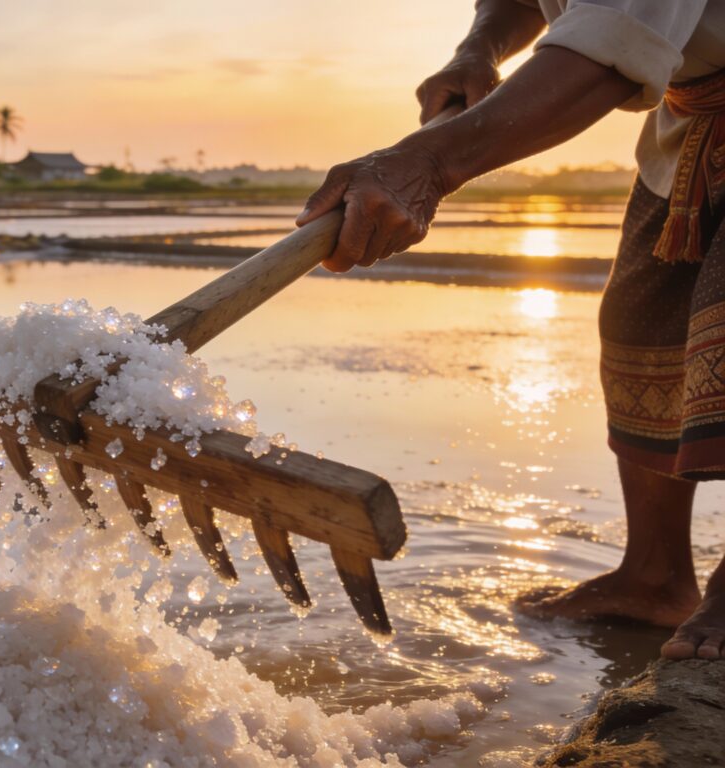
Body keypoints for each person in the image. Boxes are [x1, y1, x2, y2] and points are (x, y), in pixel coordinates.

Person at [297, 0, 725, 660]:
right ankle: (656, 576)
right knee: (640, 329)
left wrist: (429, 162)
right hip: (690, 125)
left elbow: (607, 48)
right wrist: (480, 49)